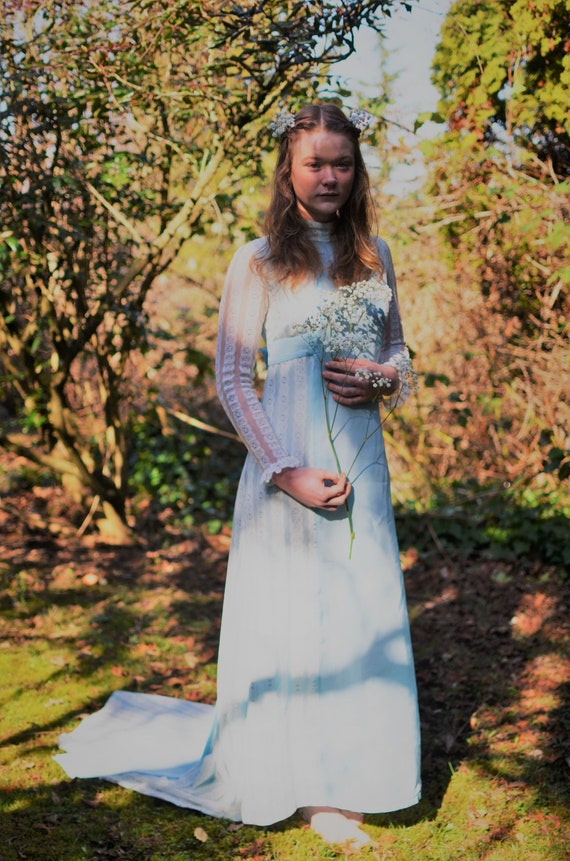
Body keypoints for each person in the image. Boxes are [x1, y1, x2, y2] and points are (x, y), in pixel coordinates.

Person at [55, 103, 421, 849]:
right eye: (315, 162)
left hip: (361, 458)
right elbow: (232, 375)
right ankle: (303, 779)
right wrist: (284, 470)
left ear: (358, 173)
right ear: (288, 171)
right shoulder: (257, 259)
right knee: (296, 614)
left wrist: (383, 378)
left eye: (342, 163)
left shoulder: (376, 253)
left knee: (359, 607)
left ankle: (354, 774)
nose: (329, 175)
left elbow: (402, 354)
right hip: (285, 458)